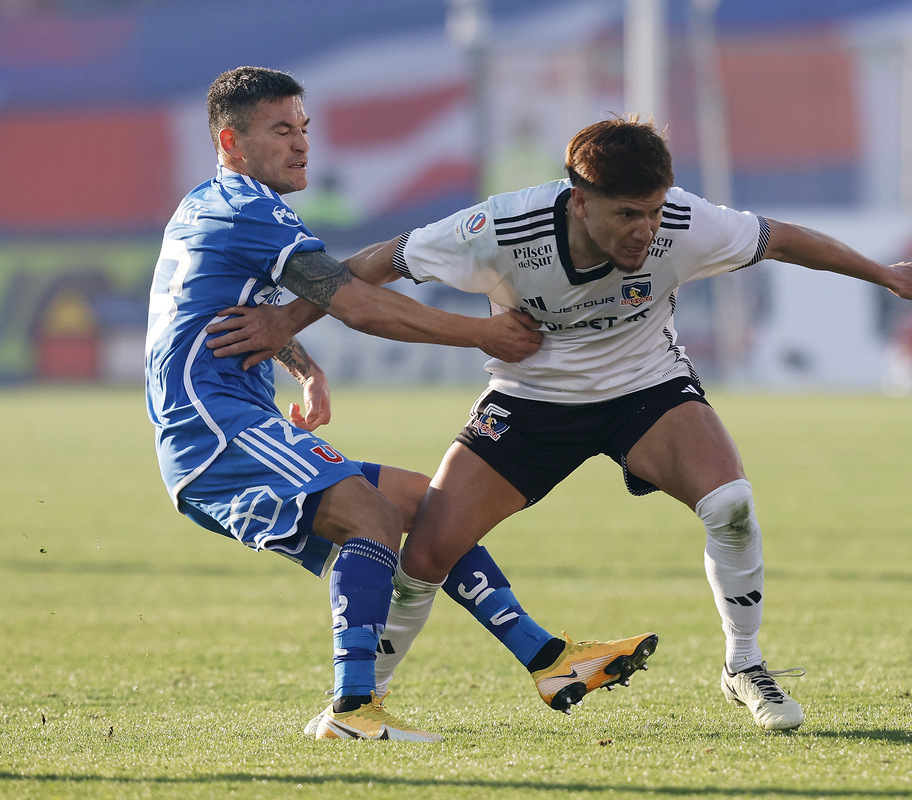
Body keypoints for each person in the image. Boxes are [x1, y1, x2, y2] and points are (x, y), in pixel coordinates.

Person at [218, 115, 912, 732]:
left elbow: (784, 238)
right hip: (530, 402)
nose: (646, 230)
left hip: (646, 389)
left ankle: (745, 665)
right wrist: (288, 319)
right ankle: (359, 707)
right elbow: (377, 264)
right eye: (627, 215)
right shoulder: (499, 229)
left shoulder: (686, 223)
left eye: (655, 210)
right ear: (578, 202)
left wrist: (887, 274)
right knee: (433, 548)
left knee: (730, 504)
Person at [146, 67, 656, 744]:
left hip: (227, 425)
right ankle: (354, 709)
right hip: (215, 431)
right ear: (231, 140)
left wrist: (301, 363)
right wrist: (481, 332)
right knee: (374, 517)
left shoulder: (211, 202)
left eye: (304, 128)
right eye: (281, 130)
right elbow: (354, 304)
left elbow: (226, 313)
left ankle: (550, 661)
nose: (301, 145)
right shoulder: (251, 209)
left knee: (428, 506)